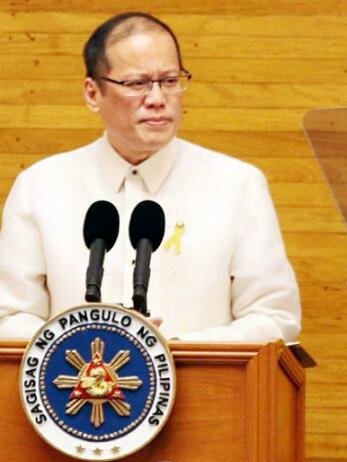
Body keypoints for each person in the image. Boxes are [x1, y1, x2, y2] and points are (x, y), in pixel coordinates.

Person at [0, 12, 301, 342]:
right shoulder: (41, 187)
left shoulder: (238, 185)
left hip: (207, 391)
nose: (158, 99)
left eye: (170, 81)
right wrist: (80, 348)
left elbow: (275, 318)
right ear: (92, 93)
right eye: (137, 84)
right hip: (74, 386)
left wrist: (165, 356)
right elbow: (10, 316)